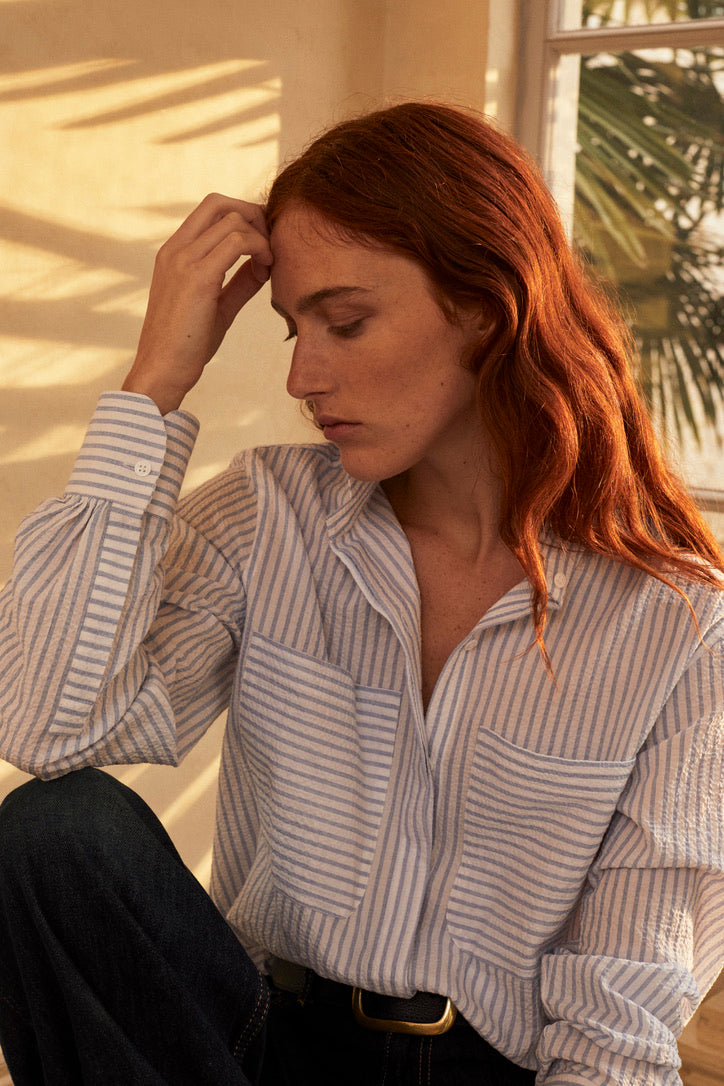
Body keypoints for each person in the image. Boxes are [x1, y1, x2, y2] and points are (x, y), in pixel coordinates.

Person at [0, 100, 722, 1086]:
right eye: (292, 328)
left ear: (484, 304)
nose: (302, 374)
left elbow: (623, 1004)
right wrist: (156, 380)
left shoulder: (681, 622)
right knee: (58, 832)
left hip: (488, 1067)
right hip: (254, 1046)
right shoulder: (267, 515)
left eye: (344, 321)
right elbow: (46, 727)